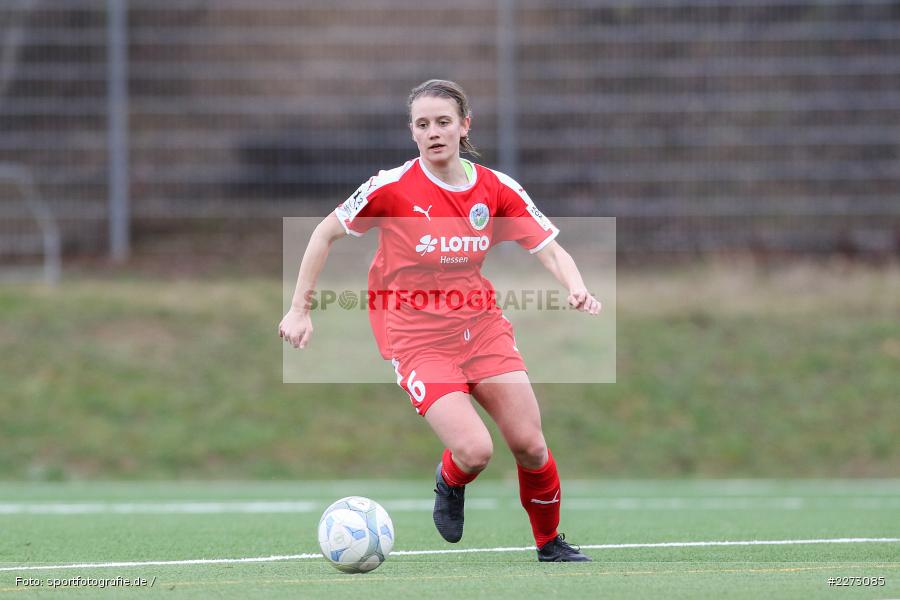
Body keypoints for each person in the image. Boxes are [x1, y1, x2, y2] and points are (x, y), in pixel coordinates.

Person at [279, 79, 601, 562]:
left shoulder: (496, 188)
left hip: (482, 329)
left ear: (464, 125)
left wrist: (576, 286)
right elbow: (324, 233)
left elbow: (549, 248)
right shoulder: (391, 187)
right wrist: (299, 308)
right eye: (423, 124)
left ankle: (549, 543)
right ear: (412, 132)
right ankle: (450, 481)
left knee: (530, 446)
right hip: (416, 340)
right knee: (475, 451)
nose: (433, 132)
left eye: (443, 122)